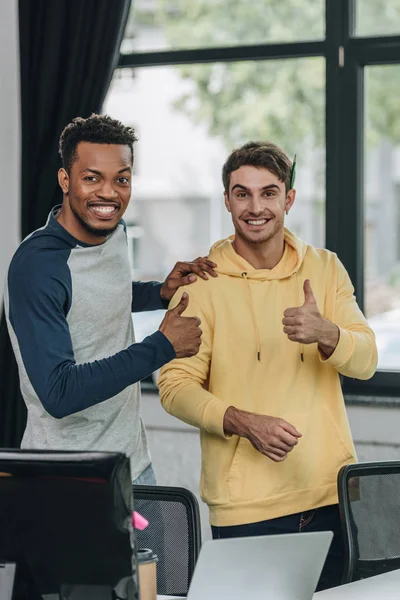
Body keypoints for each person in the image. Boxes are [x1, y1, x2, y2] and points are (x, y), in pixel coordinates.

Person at [158, 141, 378, 590]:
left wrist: (328, 334)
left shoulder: (326, 268)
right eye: (242, 194)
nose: (255, 207)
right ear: (227, 200)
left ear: (288, 198)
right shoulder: (202, 282)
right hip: (245, 508)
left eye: (269, 193)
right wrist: (241, 421)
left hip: (331, 497)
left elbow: (368, 360)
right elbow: (174, 385)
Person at [4, 113, 217, 487]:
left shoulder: (113, 231)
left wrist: (158, 292)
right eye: (92, 178)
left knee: (160, 549)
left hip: (133, 462)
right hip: (68, 478)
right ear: (65, 180)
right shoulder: (37, 267)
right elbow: (59, 393)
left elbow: (99, 296)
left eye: (121, 179)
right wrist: (161, 347)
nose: (108, 193)